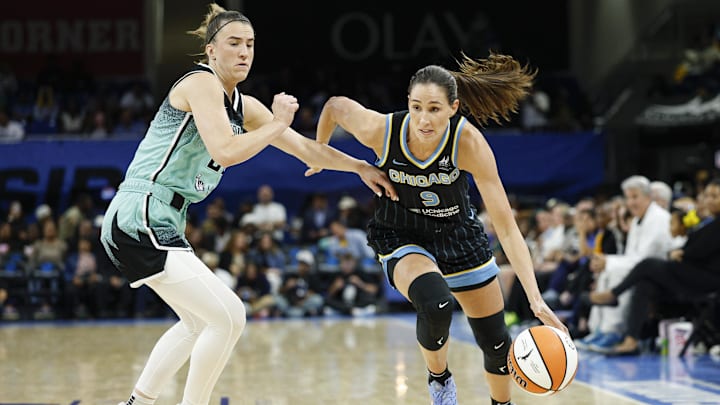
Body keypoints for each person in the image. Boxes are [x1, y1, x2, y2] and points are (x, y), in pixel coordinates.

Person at [100, 4, 397, 405]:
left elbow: (309, 151)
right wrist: (278, 123)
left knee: (195, 323)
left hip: (162, 218)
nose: (244, 52)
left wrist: (359, 167)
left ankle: (137, 403)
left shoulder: (246, 107)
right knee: (230, 317)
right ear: (211, 51)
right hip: (142, 212)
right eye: (234, 43)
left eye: (250, 45)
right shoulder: (200, 84)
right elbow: (224, 150)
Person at [313, 51, 566, 405]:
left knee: (497, 343)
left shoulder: (469, 143)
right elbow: (335, 106)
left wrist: (536, 300)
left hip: (458, 235)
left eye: (433, 108)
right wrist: (323, 152)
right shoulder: (382, 130)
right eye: (416, 107)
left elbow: (507, 229)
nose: (423, 118)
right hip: (402, 233)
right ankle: (440, 381)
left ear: (453, 107)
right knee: (435, 304)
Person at [589, 178, 720, 354]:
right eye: (707, 195)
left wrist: (682, 252)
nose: (709, 200)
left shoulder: (713, 224)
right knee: (645, 284)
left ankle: (614, 294)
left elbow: (697, 250)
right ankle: (631, 340)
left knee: (648, 264)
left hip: (708, 280)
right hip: (691, 273)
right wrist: (681, 252)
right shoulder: (708, 221)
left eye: (715, 196)